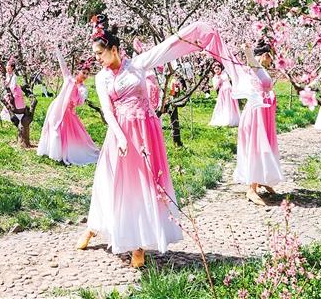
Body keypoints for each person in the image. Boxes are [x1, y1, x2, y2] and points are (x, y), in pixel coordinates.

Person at [77, 14, 237, 267]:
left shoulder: (138, 64)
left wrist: (196, 33)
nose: (96, 59)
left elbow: (168, 47)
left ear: (114, 49)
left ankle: (138, 244)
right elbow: (107, 111)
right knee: (111, 183)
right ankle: (95, 226)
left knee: (144, 186)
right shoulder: (101, 77)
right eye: (95, 54)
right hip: (120, 134)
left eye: (99, 53)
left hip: (146, 132)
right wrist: (120, 138)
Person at [231, 40, 284, 206]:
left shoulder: (261, 70)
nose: (271, 60)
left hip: (264, 115)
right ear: (265, 55)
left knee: (266, 145)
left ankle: (263, 179)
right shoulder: (255, 66)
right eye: (270, 57)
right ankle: (252, 189)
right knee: (257, 147)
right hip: (256, 116)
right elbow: (249, 56)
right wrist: (246, 48)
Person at [37, 48, 99, 165]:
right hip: (57, 108)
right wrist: (57, 50)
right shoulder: (68, 79)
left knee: (64, 132)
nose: (85, 75)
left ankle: (61, 154)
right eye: (83, 72)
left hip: (68, 112)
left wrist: (81, 93)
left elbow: (79, 102)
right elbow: (63, 65)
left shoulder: (82, 88)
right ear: (78, 71)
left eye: (87, 74)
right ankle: (50, 151)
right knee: (54, 129)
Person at [209, 61, 240, 127]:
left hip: (229, 91)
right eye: (215, 69)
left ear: (221, 68)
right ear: (213, 70)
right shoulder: (214, 78)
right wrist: (218, 80)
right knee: (225, 105)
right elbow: (215, 88)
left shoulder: (224, 73)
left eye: (218, 68)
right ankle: (226, 117)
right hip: (223, 93)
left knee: (231, 105)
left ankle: (232, 118)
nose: (217, 70)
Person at [0, 59, 26, 124]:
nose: (7, 68)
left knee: (14, 103)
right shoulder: (6, 75)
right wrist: (3, 83)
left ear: (12, 68)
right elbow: (6, 84)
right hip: (9, 91)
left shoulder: (14, 76)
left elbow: (13, 86)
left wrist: (9, 91)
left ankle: (16, 116)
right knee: (7, 103)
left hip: (14, 91)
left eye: (8, 67)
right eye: (7, 67)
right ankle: (6, 117)